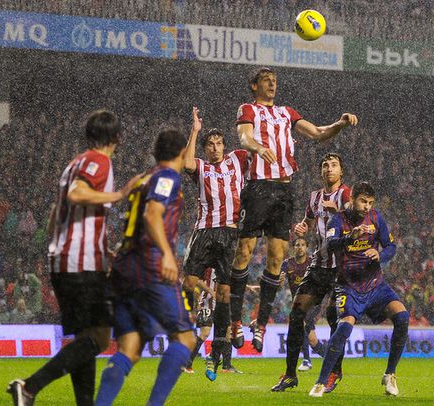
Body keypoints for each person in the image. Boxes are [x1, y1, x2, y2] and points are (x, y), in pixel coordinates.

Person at [8, 110, 139, 406]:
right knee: (101, 338)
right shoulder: (99, 161)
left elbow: (57, 213)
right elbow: (78, 195)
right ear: (118, 137)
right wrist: (119, 195)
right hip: (80, 263)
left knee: (86, 337)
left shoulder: (73, 163)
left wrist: (98, 249)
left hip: (66, 259)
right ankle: (29, 387)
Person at [230, 67, 358, 352]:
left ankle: (260, 325)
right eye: (266, 80)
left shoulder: (286, 112)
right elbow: (244, 138)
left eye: (274, 81)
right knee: (244, 253)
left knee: (277, 258)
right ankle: (235, 320)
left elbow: (317, 133)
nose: (272, 84)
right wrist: (257, 148)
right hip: (259, 187)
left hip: (284, 190)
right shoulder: (248, 109)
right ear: (254, 86)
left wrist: (339, 124)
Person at [95, 129, 196, 406]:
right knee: (186, 339)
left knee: (130, 348)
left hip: (123, 265)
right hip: (149, 264)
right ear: (181, 153)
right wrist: (166, 254)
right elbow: (153, 215)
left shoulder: (142, 178)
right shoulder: (168, 176)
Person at [309, 182, 407, 398]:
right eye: (363, 201)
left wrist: (380, 256)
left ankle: (390, 374)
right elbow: (330, 245)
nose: (366, 206)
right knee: (343, 329)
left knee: (402, 316)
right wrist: (349, 238)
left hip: (375, 285)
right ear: (352, 199)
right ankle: (320, 382)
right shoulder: (339, 220)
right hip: (349, 286)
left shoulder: (376, 218)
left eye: (370, 203)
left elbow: (391, 246)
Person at [272, 153, 350, 393]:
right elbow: (306, 222)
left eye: (334, 165)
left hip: (341, 268)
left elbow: (357, 221)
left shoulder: (346, 194)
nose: (329, 169)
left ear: (341, 172)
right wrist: (301, 227)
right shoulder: (314, 197)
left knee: (335, 318)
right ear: (321, 172)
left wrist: (337, 211)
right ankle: (290, 375)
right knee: (296, 315)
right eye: (325, 165)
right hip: (318, 267)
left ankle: (334, 372)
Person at [181, 107, 248, 380]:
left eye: (219, 143)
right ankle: (184, 331)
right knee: (188, 282)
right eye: (210, 144)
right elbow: (185, 163)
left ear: (225, 145)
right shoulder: (201, 167)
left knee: (224, 294)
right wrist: (195, 131)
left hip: (230, 234)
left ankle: (215, 353)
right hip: (205, 231)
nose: (216, 148)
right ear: (206, 148)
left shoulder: (237, 159)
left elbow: (255, 144)